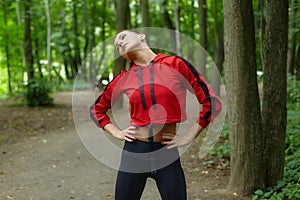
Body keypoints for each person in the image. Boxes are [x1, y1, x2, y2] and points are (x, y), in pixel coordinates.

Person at [90, 30, 222, 200]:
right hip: (134, 153)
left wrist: (189, 136)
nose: (120, 44)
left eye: (123, 37)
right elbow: (96, 110)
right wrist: (116, 132)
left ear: (141, 36)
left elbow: (212, 103)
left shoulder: (176, 65)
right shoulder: (124, 77)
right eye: (117, 46)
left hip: (166, 153)